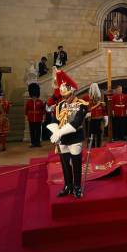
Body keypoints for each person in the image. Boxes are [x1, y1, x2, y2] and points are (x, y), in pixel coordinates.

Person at [48, 68, 88, 199]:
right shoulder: (60, 105)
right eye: (63, 96)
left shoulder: (81, 104)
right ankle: (68, 185)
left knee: (76, 164)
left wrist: (59, 133)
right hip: (62, 140)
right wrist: (55, 132)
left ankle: (77, 186)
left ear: (73, 93)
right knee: (65, 164)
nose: (65, 99)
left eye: (67, 96)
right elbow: (54, 119)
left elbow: (76, 122)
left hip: (75, 138)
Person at [86, 83, 107, 148]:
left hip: (99, 118)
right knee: (91, 134)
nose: (95, 90)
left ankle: (98, 147)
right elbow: (89, 109)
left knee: (99, 134)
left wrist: (103, 105)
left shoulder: (99, 97)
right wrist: (98, 104)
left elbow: (102, 108)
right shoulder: (89, 98)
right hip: (92, 118)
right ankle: (91, 147)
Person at [25, 83, 45, 148]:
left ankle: (38, 143)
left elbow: (43, 110)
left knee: (38, 131)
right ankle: (33, 143)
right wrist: (27, 117)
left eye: (35, 95)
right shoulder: (28, 102)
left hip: (38, 118)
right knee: (32, 131)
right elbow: (26, 110)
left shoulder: (40, 101)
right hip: (31, 119)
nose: (34, 96)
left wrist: (43, 117)